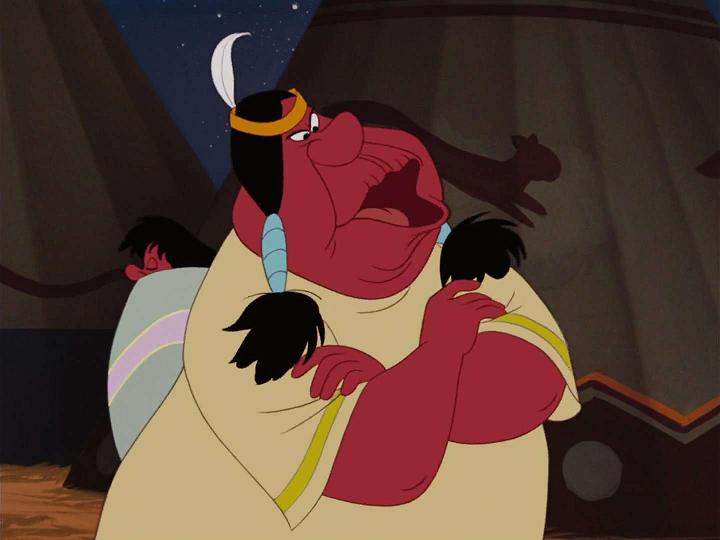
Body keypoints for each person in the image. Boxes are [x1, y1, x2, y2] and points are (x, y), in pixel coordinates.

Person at [95, 34, 579, 540]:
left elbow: (534, 386)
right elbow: (388, 470)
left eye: (319, 125)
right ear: (271, 212)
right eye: (304, 141)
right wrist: (439, 356)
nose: (349, 137)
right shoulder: (245, 323)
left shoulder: (446, 255)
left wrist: (403, 384)